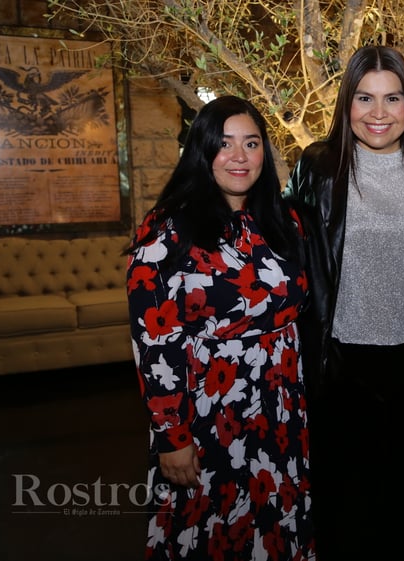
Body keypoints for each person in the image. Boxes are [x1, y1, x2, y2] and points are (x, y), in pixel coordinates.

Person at [284, 45, 404, 560]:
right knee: (345, 509)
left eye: (392, 98)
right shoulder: (317, 166)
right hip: (340, 365)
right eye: (364, 98)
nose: (378, 113)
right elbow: (284, 249)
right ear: (346, 103)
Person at [126, 95, 315, 561]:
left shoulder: (283, 221)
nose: (239, 156)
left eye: (251, 144)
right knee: (211, 532)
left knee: (274, 528)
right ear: (202, 151)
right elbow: (154, 342)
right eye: (225, 144)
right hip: (208, 416)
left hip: (280, 411)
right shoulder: (167, 232)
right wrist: (172, 436)